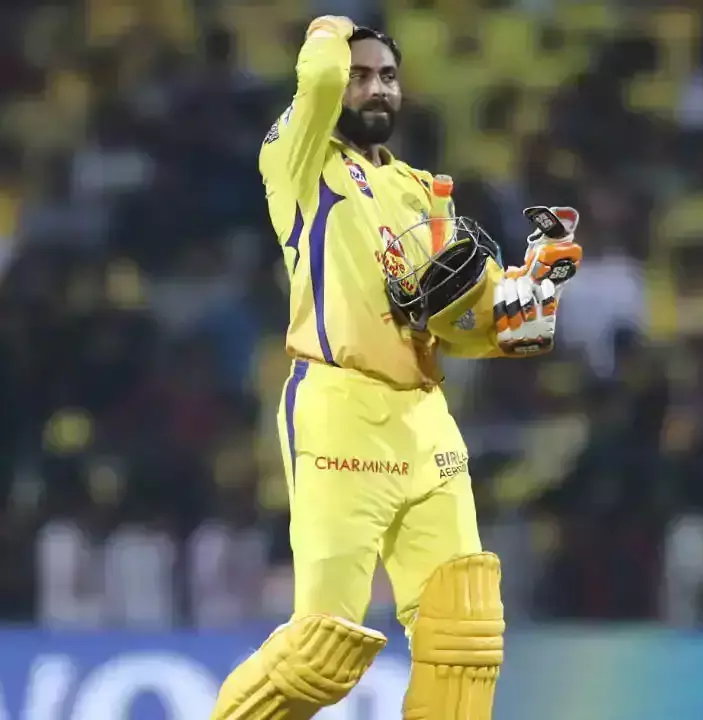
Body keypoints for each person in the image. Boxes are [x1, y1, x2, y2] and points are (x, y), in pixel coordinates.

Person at [211, 16, 581, 719]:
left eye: (387, 76)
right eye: (360, 75)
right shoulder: (300, 159)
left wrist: (520, 305)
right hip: (341, 408)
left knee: (465, 639)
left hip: (425, 418)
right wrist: (337, 25)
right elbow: (318, 74)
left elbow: (459, 325)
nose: (375, 88)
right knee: (322, 651)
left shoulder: (421, 191)